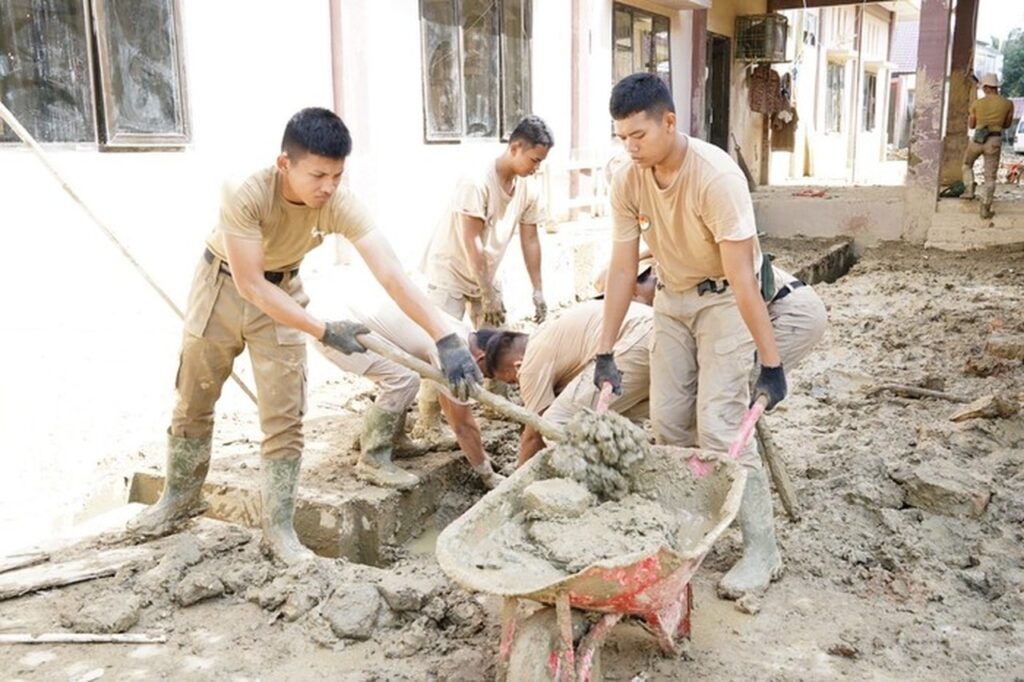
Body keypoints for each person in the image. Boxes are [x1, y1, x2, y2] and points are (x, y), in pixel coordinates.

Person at [126, 108, 481, 565]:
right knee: (195, 396)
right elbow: (250, 284)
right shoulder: (246, 192)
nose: (328, 187)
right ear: (285, 165)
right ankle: (179, 498)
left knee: (285, 415)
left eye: (337, 175)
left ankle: (279, 529)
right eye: (317, 175)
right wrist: (324, 330)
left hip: (285, 291)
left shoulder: (338, 202)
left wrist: (444, 337)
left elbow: (392, 274)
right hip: (222, 287)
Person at [596, 73, 788, 600]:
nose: (630, 147)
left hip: (724, 299)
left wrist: (771, 363)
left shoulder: (716, 177)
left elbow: (744, 277)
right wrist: (604, 350)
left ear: (669, 122)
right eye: (622, 138)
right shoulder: (628, 179)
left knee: (721, 427)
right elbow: (621, 269)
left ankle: (762, 549)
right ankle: (686, 529)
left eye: (638, 135)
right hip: (671, 298)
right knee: (667, 423)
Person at [315, 298, 505, 489]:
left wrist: (480, 454)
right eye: (486, 374)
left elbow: (450, 405)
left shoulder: (462, 333)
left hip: (350, 320)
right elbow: (462, 425)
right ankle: (372, 459)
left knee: (405, 372)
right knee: (403, 380)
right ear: (480, 358)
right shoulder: (456, 356)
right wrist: (486, 473)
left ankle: (394, 440)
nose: (481, 378)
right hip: (339, 333)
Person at [482, 297, 653, 467]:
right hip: (655, 332)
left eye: (513, 381)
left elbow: (534, 435)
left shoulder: (528, 366)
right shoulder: (546, 334)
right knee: (624, 424)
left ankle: (594, 480)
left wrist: (519, 478)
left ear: (517, 365)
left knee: (556, 422)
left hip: (634, 341)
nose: (519, 386)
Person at [420, 114, 554, 327]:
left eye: (541, 162)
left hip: (487, 273)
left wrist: (538, 290)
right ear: (515, 148)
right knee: (446, 341)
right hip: (451, 272)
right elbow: (471, 240)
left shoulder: (529, 189)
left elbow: (530, 240)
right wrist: (487, 295)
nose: (536, 168)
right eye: (534, 160)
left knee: (499, 344)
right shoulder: (476, 182)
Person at [963, 72, 1014, 219]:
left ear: (985, 87)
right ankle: (985, 208)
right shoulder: (1007, 104)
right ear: (996, 87)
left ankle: (969, 190)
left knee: (967, 164)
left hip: (977, 140)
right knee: (990, 177)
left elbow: (971, 125)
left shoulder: (977, 104)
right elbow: (1007, 124)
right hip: (994, 140)